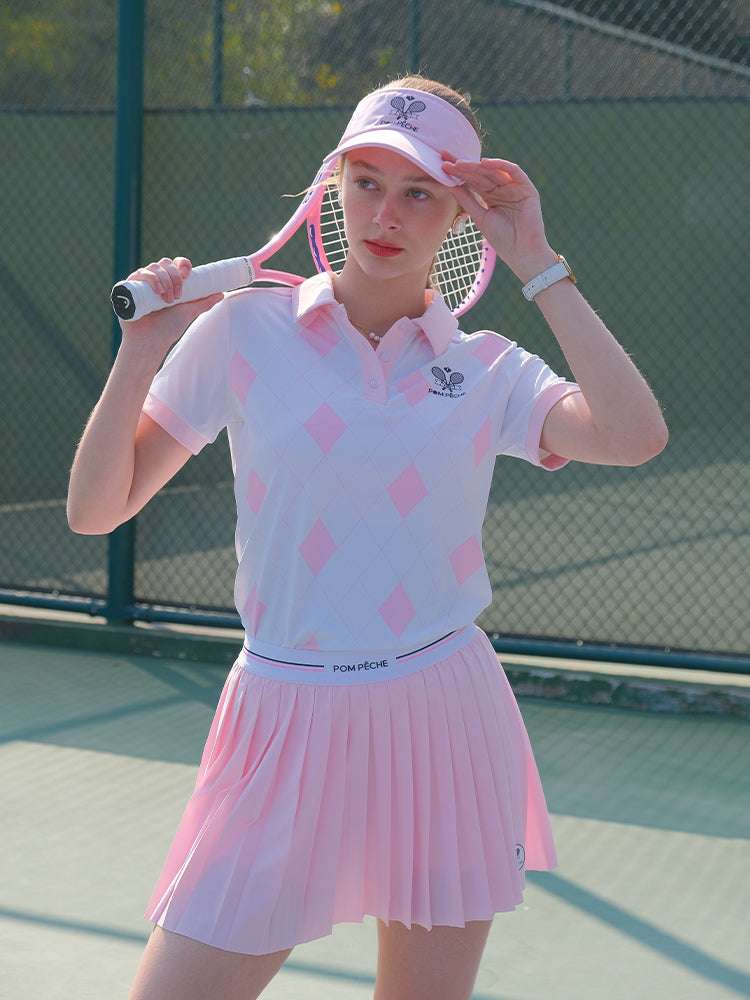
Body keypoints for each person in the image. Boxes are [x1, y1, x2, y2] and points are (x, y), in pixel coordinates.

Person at [68, 74, 668, 1000]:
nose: (387, 213)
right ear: (332, 192)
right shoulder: (241, 331)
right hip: (282, 718)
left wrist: (538, 261)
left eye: (421, 192)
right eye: (367, 183)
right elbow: (95, 510)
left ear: (460, 212)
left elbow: (633, 436)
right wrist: (141, 353)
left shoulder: (488, 370)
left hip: (443, 712)